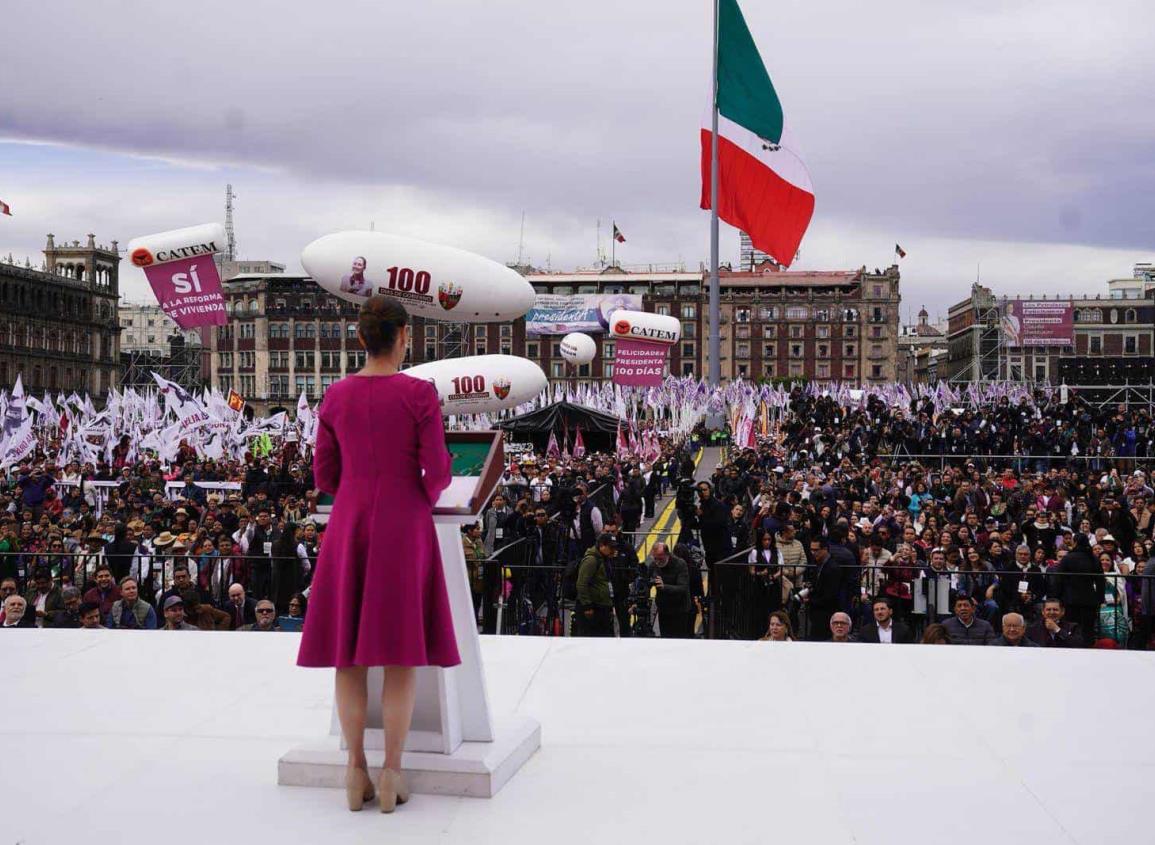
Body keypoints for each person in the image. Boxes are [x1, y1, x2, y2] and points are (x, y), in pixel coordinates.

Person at [297, 295, 460, 814]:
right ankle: (391, 771)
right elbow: (437, 472)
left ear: (362, 338)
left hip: (349, 524)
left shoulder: (336, 396)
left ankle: (354, 772)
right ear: (402, 337)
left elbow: (324, 476)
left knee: (347, 656)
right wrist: (417, 494)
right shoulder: (419, 394)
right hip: (403, 524)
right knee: (399, 656)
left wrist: (357, 492)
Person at [1054, 533, 1105, 647]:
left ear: (1075, 542)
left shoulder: (1067, 558)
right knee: (1088, 630)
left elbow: (1059, 580)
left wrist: (1057, 598)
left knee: (1071, 627)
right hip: (1089, 600)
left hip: (1070, 599)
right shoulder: (1094, 559)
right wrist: (1100, 599)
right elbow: (1100, 581)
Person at [644, 542, 691, 638]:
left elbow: (683, 587)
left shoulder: (680, 564)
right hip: (663, 609)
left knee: (679, 640)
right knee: (665, 638)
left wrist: (664, 586)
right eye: (655, 558)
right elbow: (646, 583)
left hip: (680, 610)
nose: (657, 562)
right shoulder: (654, 565)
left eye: (660, 558)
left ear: (667, 554)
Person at [575, 533, 616, 637]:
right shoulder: (591, 560)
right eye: (611, 547)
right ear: (602, 545)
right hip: (593, 608)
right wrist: (587, 605)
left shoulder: (605, 559)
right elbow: (581, 583)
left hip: (602, 606)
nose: (613, 550)